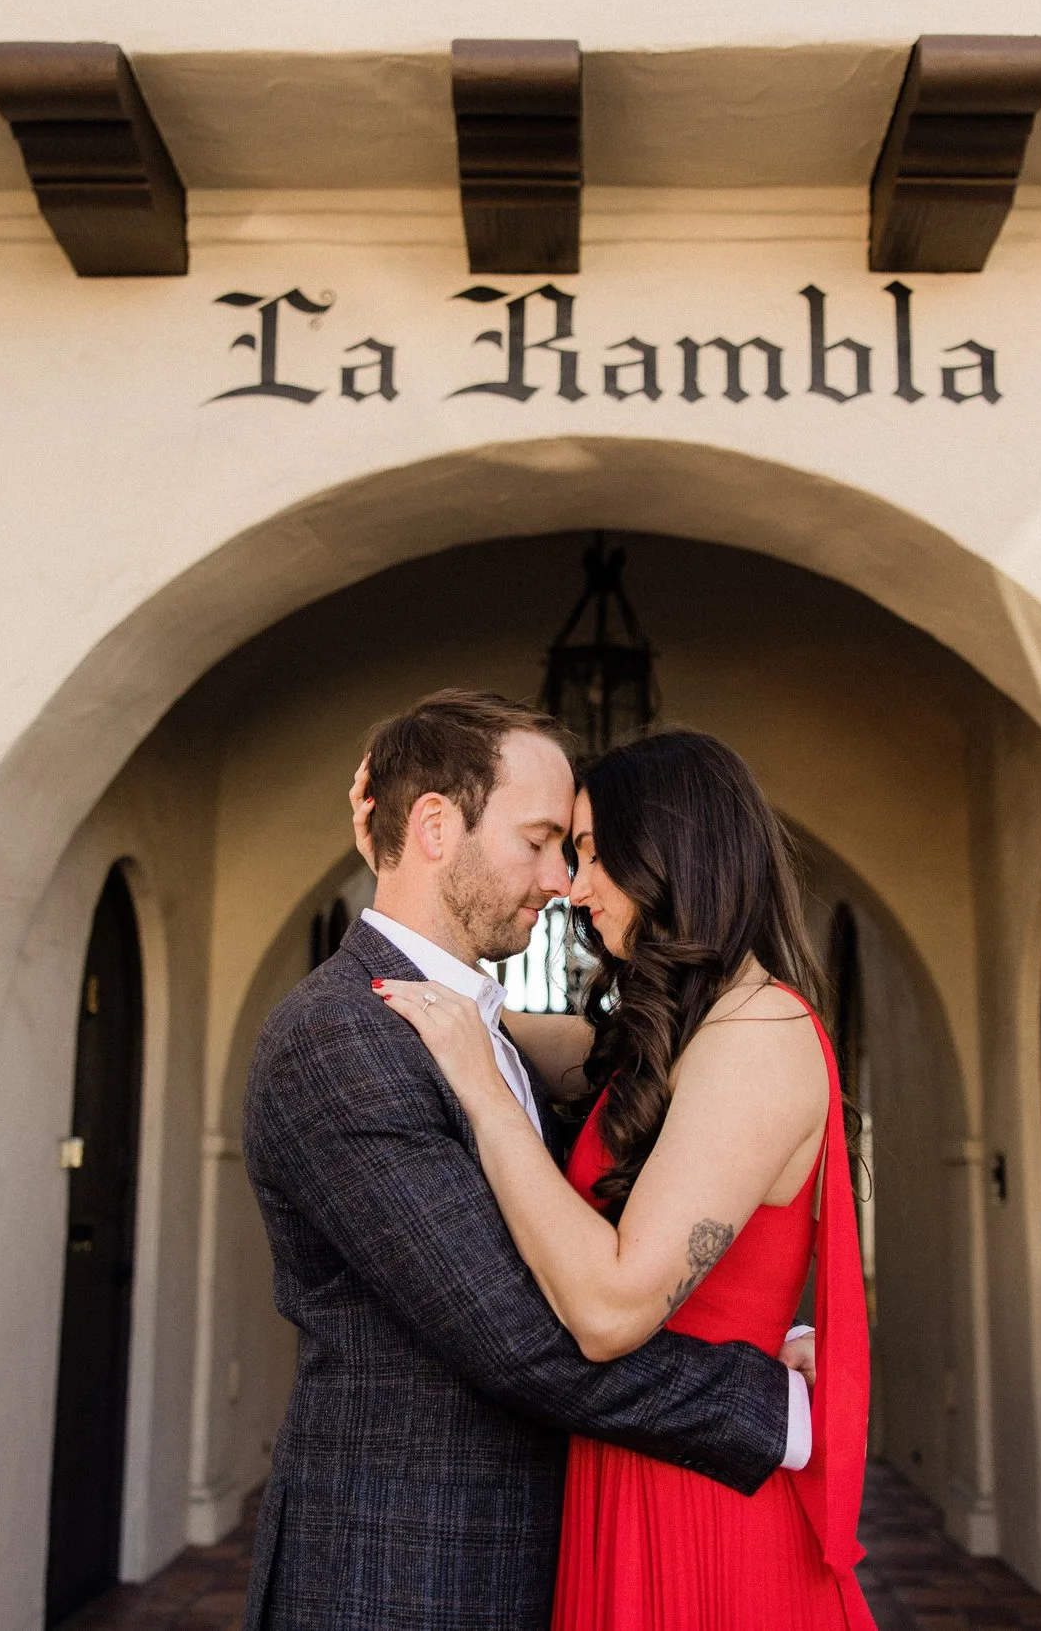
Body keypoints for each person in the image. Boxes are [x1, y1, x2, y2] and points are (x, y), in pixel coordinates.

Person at [240, 691, 817, 1631]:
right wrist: (775, 1404)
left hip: (541, 1557)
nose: (561, 878)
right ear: (435, 823)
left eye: (578, 849)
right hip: (404, 1576)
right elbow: (519, 1336)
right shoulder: (341, 1035)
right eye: (542, 840)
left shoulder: (475, 1025)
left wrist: (749, 1313)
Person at [371, 725, 875, 1631]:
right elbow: (562, 1052)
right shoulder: (684, 1034)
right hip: (629, 1473)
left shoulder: (760, 1036)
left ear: (673, 856)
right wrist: (414, 914)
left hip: (703, 1509)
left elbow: (607, 1310)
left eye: (596, 852)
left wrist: (484, 1097)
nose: (573, 884)